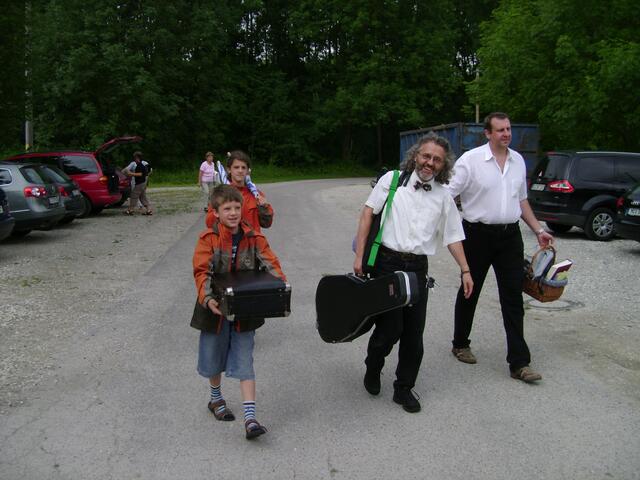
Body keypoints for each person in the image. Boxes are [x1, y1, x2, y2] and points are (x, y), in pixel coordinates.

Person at [353, 132, 474, 413]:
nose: (430, 162)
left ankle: (404, 388)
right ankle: (373, 364)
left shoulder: (443, 196)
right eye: (426, 156)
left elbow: (453, 236)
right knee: (390, 328)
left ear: (444, 165)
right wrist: (359, 255)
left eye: (437, 159)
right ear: (416, 155)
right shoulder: (392, 180)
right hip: (387, 263)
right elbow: (368, 213)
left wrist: (465, 269)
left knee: (413, 334)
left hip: (417, 268)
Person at [446, 112, 553, 383]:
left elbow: (521, 201)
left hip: (509, 237)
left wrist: (538, 230)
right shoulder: (470, 161)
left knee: (513, 297)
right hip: (477, 235)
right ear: (487, 133)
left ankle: (519, 363)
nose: (506, 134)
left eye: (508, 129)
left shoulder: (518, 161)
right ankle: (460, 343)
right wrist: (452, 228)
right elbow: (447, 195)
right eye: (500, 130)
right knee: (470, 290)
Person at [192, 184, 286, 440]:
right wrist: (207, 298)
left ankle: (250, 419)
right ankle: (215, 399)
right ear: (216, 212)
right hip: (215, 308)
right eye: (227, 208)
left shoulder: (254, 238)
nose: (233, 213)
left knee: (245, 358)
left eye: (236, 207)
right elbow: (202, 271)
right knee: (213, 354)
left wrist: (279, 287)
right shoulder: (208, 239)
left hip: (246, 307)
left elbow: (271, 263)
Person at [205, 150, 273, 232]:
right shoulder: (221, 194)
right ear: (229, 169)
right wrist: (222, 207)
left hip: (252, 239)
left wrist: (264, 207)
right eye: (236, 167)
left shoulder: (256, 194)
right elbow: (209, 223)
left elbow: (267, 224)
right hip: (229, 239)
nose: (240, 171)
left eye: (243, 167)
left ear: (247, 171)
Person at [122, 151, 152, 215]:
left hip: (140, 183)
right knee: (142, 197)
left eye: (135, 158)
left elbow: (140, 174)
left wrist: (131, 173)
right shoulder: (142, 164)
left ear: (138, 158)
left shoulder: (140, 165)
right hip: (143, 183)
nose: (134, 160)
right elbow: (149, 171)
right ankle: (149, 210)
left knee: (133, 195)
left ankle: (130, 210)